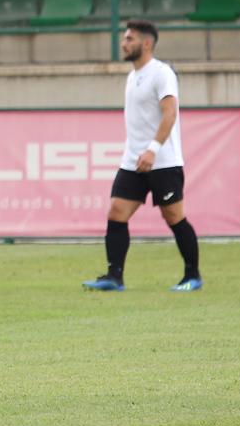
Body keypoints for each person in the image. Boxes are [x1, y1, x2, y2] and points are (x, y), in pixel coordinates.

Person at [84, 20, 201, 293]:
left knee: (174, 217)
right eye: (124, 39)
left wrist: (153, 149)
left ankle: (192, 276)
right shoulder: (131, 76)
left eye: (129, 39)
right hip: (133, 161)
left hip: (162, 161)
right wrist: (139, 152)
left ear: (146, 43)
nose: (123, 43)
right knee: (116, 212)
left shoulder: (162, 74)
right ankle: (114, 277)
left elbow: (169, 113)